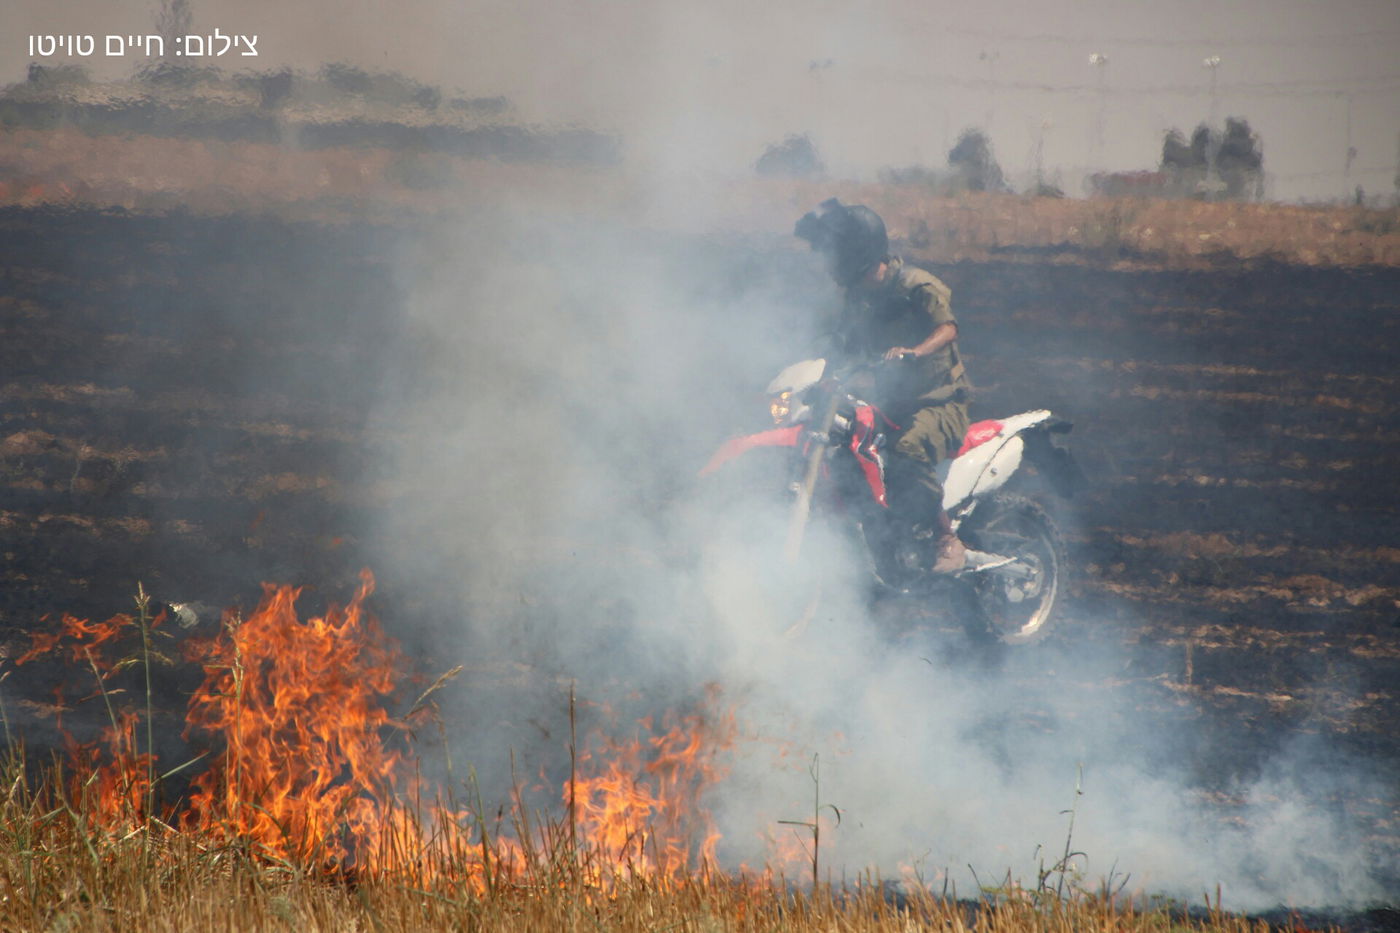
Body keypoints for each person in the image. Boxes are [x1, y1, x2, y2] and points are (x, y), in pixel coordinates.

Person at [794, 198, 972, 573]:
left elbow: (948, 328)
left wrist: (914, 352)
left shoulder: (916, 285)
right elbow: (841, 339)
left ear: (859, 252)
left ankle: (946, 538)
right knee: (844, 446)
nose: (830, 263)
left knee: (905, 451)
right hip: (886, 400)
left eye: (836, 253)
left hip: (937, 403)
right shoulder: (858, 297)